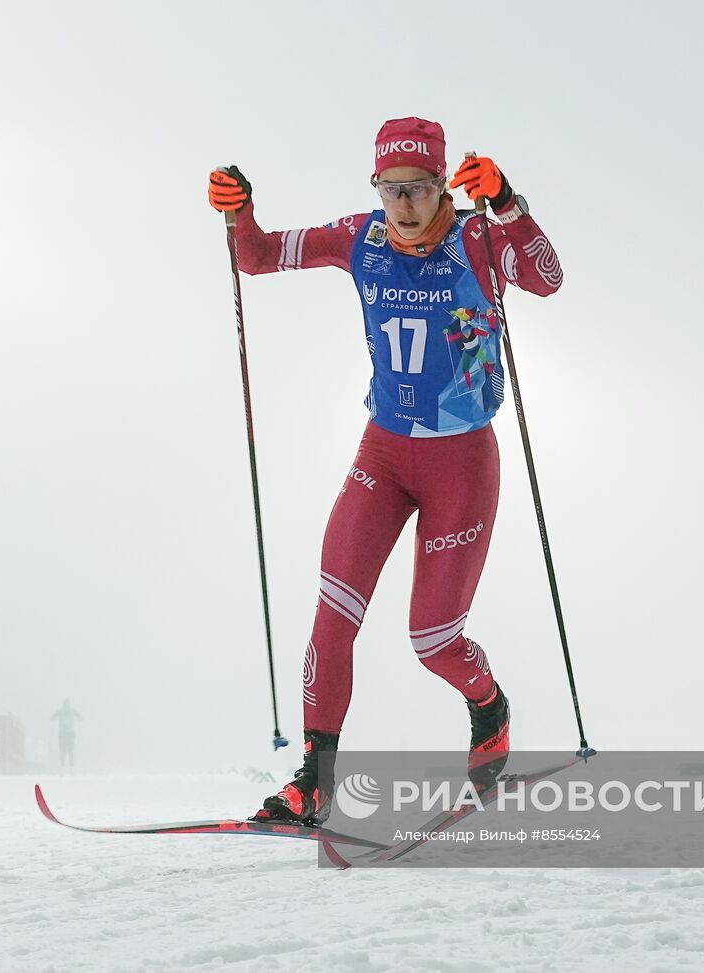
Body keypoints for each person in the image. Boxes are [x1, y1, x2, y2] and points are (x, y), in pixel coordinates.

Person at [208, 117, 564, 824]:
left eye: (420, 189)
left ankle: (489, 706)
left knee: (432, 641)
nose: (403, 205)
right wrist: (237, 209)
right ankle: (315, 781)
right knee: (334, 608)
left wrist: (510, 203)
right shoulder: (361, 237)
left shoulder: (479, 241)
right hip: (383, 451)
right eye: (391, 189)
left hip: (461, 461)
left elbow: (549, 279)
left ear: (443, 189)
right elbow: (254, 256)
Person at [49, 698, 83, 770]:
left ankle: (63, 765)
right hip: (70, 733)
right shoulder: (72, 710)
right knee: (70, 749)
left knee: (63, 750)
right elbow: (80, 717)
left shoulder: (60, 711)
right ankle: (71, 765)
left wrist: (53, 718)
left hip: (62, 734)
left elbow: (52, 717)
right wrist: (79, 718)